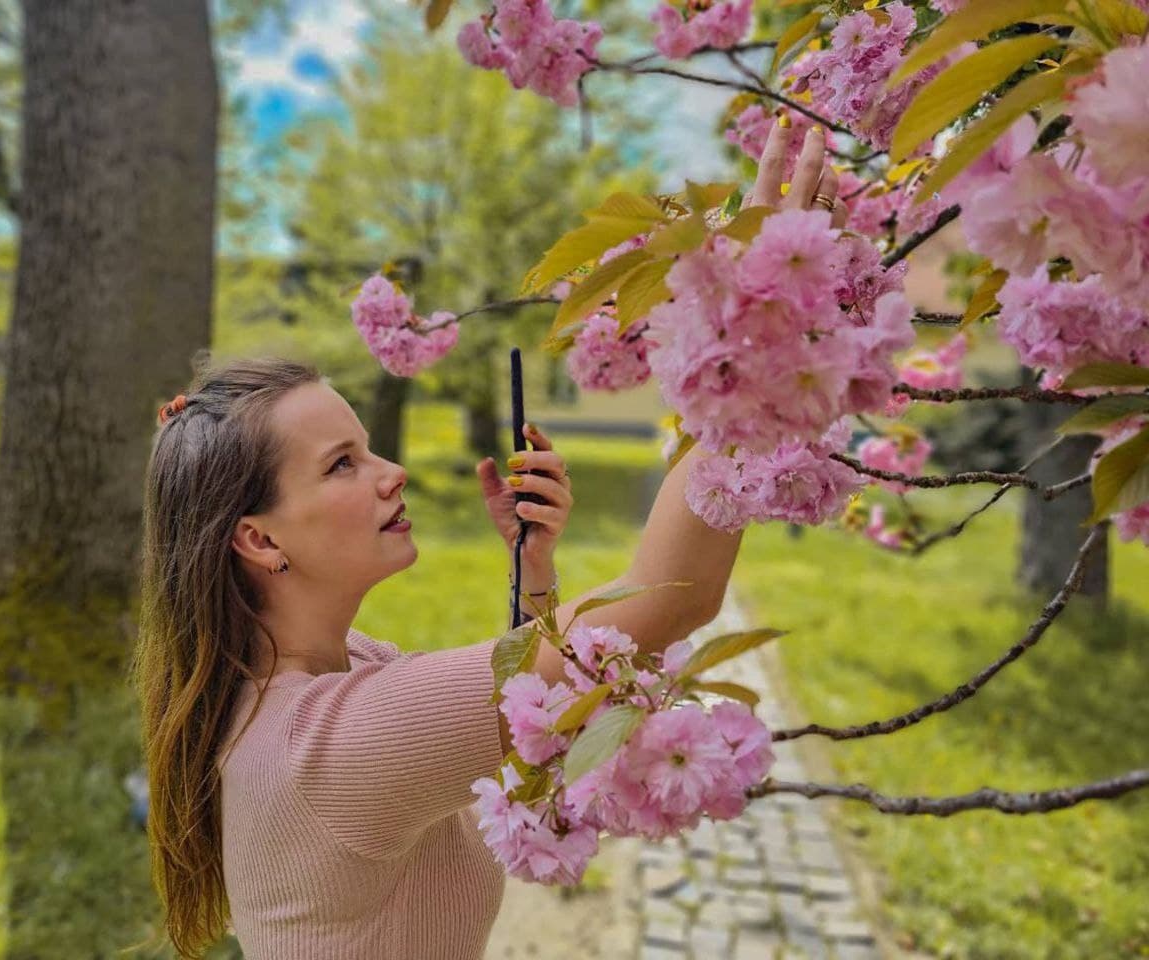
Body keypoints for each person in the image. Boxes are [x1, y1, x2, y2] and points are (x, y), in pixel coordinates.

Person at [132, 117, 842, 960]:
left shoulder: (335, 667)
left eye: (369, 447)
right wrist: (743, 328)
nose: (391, 472)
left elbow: (523, 719)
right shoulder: (329, 744)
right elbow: (670, 600)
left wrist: (533, 573)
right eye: (343, 465)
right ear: (257, 539)